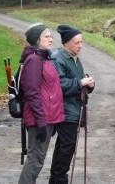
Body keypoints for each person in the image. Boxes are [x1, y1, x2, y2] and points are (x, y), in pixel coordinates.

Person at [18, 23, 65, 184]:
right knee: (35, 159)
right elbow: (32, 92)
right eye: (46, 36)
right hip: (40, 118)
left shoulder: (43, 58)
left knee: (38, 159)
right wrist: (40, 122)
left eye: (51, 36)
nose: (51, 39)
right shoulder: (34, 60)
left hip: (46, 118)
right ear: (37, 39)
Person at [49, 25, 95, 184]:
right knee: (66, 147)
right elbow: (58, 85)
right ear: (66, 43)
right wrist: (80, 82)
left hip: (74, 109)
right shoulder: (58, 58)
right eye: (77, 42)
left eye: (81, 42)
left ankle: (57, 179)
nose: (80, 45)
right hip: (65, 112)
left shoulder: (74, 58)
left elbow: (78, 82)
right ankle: (59, 179)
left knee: (65, 146)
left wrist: (89, 84)